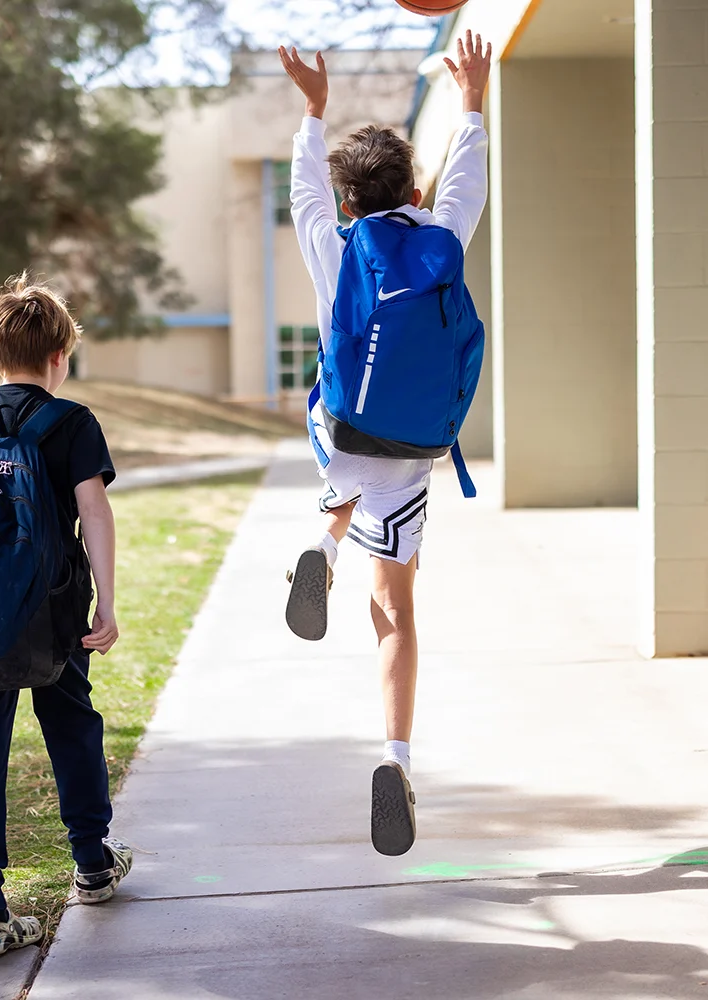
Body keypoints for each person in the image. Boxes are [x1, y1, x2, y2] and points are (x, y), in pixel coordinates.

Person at [279, 33, 491, 856]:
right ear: (413, 187)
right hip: (415, 445)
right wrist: (469, 100)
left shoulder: (336, 245)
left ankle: (320, 542)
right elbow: (467, 184)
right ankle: (396, 757)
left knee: (340, 457)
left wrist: (312, 111)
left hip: (346, 425)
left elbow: (303, 194)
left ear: (348, 203)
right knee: (396, 609)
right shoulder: (440, 239)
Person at [0, 275, 132, 958]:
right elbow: (93, 510)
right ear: (59, 357)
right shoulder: (70, 423)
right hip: (51, 612)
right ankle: (93, 864)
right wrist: (106, 597)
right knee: (70, 722)